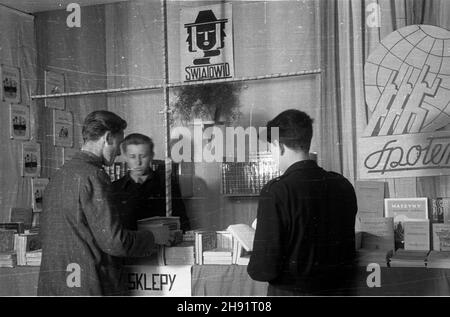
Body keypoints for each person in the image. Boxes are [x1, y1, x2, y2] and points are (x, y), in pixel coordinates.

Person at [38, 111, 171, 296]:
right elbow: (114, 242)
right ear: (107, 137)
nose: (118, 152)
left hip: (55, 286)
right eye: (118, 144)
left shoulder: (59, 176)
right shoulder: (94, 176)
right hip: (88, 286)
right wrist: (153, 236)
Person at [247, 109, 358, 296]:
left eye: (270, 148)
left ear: (278, 146)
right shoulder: (343, 184)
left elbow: (263, 269)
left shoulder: (275, 191)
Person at [111, 133, 190, 232]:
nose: (138, 162)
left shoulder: (166, 185)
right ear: (125, 157)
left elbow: (182, 222)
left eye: (143, 156)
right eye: (132, 157)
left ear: (151, 156)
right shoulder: (114, 188)